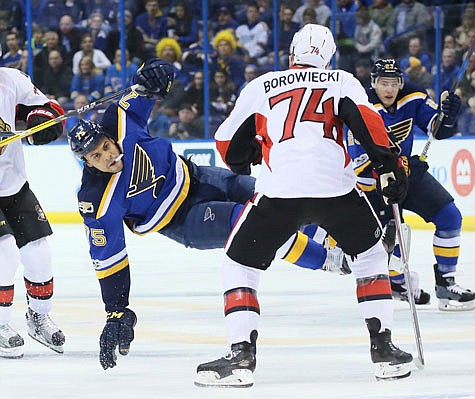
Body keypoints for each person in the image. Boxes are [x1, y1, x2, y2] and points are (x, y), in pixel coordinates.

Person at [67, 58, 350, 371]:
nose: (108, 156)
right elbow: (109, 258)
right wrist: (116, 311)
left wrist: (154, 72)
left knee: (275, 195)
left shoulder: (120, 118)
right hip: (184, 220)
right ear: (87, 163)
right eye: (96, 156)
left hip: (199, 177)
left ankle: (343, 241)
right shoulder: (97, 200)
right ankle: (329, 261)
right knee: (252, 222)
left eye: (105, 146)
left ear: (107, 137)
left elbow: (152, 83)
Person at [195, 24, 413, 388]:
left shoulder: (261, 85)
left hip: (279, 190)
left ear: (292, 55)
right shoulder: (341, 80)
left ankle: (241, 355)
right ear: (328, 58)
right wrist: (390, 168)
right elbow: (368, 123)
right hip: (336, 190)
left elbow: (227, 142)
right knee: (372, 256)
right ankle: (384, 350)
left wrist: (248, 157)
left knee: (239, 265)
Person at [347, 58, 475, 310]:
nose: (389, 89)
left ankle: (446, 284)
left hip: (406, 172)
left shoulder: (414, 96)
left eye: (394, 83)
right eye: (384, 83)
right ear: (373, 84)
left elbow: (438, 129)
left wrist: (448, 115)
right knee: (393, 237)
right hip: (373, 181)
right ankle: (397, 283)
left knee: (450, 217)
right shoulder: (360, 105)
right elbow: (356, 157)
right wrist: (386, 172)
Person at [0, 64, 66, 358]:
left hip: (15, 185)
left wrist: (44, 122)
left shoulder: (11, 78)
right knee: (4, 253)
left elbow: (48, 108)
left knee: (40, 251)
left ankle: (38, 318)